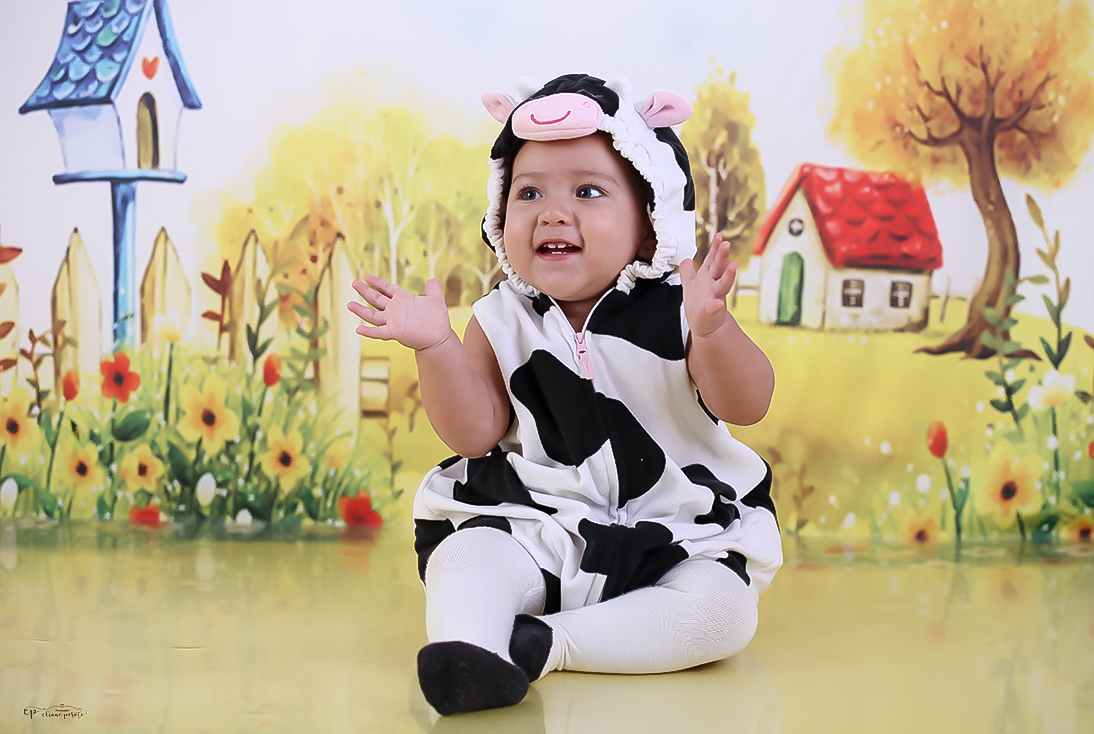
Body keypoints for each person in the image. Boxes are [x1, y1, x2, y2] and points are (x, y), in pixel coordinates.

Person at [348, 73, 782, 716]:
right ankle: (468, 652)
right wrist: (435, 347)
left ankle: (548, 644)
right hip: (537, 526)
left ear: (649, 222)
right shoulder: (500, 319)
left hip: (674, 535)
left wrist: (714, 332)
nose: (552, 212)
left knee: (724, 612)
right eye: (529, 193)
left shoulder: (681, 310)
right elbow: (474, 433)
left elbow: (748, 404)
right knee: (467, 554)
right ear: (501, 216)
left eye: (588, 191)